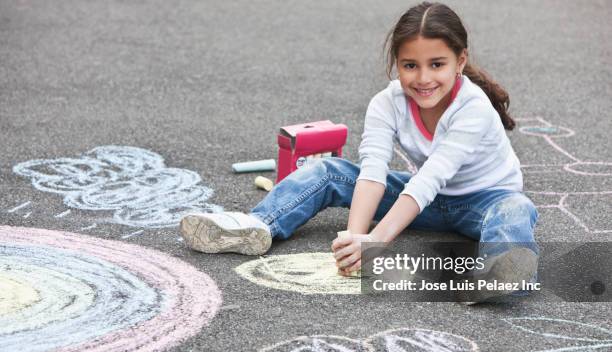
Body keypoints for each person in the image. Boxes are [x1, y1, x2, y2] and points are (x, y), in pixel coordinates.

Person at [180, 2, 539, 303]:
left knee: (516, 209)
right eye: (410, 65)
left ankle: (503, 269)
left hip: (484, 201)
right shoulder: (387, 103)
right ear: (396, 63)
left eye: (437, 64)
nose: (423, 78)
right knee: (328, 171)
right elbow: (372, 171)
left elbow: (431, 177)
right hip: (426, 201)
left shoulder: (473, 107)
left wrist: (379, 240)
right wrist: (356, 242)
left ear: (460, 61)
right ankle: (258, 224)